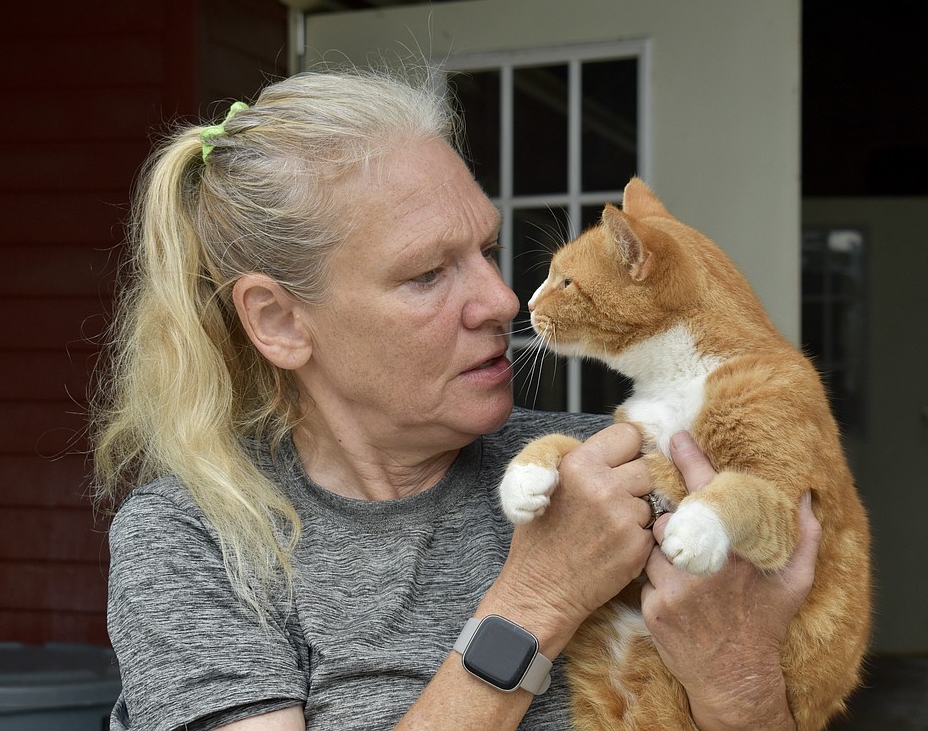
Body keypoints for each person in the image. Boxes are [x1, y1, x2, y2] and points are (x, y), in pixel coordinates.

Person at [92, 64, 821, 731]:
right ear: (278, 321)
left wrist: (739, 678)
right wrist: (539, 594)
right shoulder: (196, 540)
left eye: (489, 250)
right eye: (428, 274)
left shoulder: (613, 468)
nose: (502, 299)